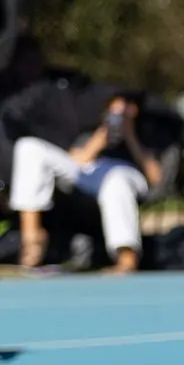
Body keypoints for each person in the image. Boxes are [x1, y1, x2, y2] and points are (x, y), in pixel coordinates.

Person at [10, 92, 162, 272]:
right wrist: (100, 139)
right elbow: (77, 160)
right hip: (89, 174)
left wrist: (130, 135)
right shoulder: (91, 132)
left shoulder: (148, 135)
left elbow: (156, 178)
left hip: (126, 174)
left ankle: (126, 257)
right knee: (29, 148)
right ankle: (32, 236)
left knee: (115, 180)